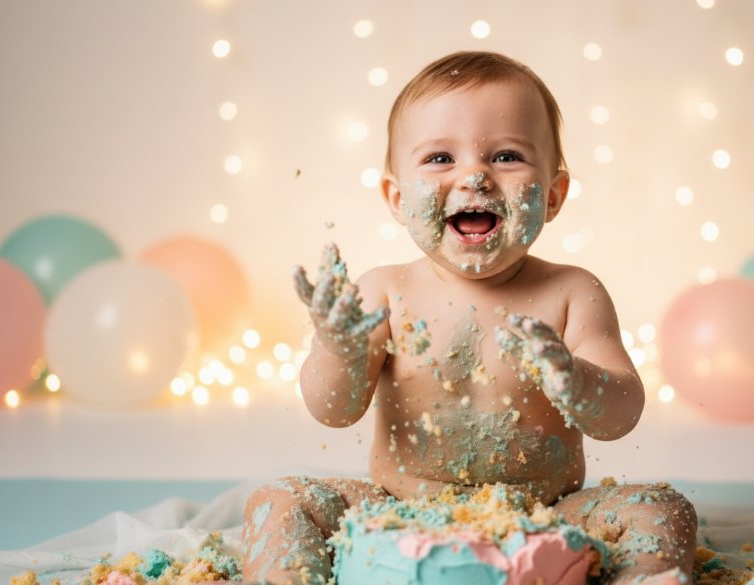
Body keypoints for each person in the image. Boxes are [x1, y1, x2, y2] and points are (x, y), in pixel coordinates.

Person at [241, 51, 697, 585]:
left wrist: (579, 383)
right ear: (395, 196)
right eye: (439, 158)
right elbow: (332, 411)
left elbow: (621, 416)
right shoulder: (383, 292)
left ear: (553, 195)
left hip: (545, 517)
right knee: (281, 499)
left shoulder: (572, 293)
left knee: (662, 507)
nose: (475, 176)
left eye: (506, 156)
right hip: (396, 513)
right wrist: (337, 350)